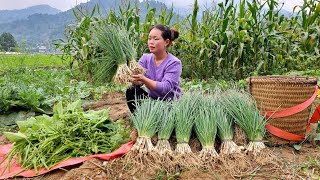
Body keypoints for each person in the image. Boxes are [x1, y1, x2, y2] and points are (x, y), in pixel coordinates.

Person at [126, 24, 182, 113]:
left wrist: (144, 79)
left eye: (155, 39)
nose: (151, 42)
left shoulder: (174, 63)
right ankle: (139, 120)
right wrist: (131, 76)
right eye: (149, 38)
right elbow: (139, 82)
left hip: (169, 105)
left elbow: (165, 88)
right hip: (152, 100)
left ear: (166, 42)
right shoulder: (145, 58)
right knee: (132, 90)